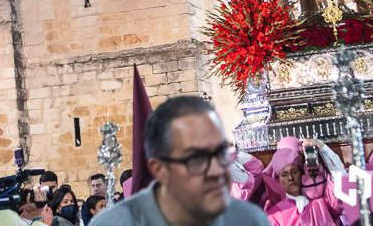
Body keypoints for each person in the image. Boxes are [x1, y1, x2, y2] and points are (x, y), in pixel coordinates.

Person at [91, 95, 269, 225]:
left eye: (220, 153)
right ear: (159, 168)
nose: (216, 169)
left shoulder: (248, 219)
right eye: (197, 159)